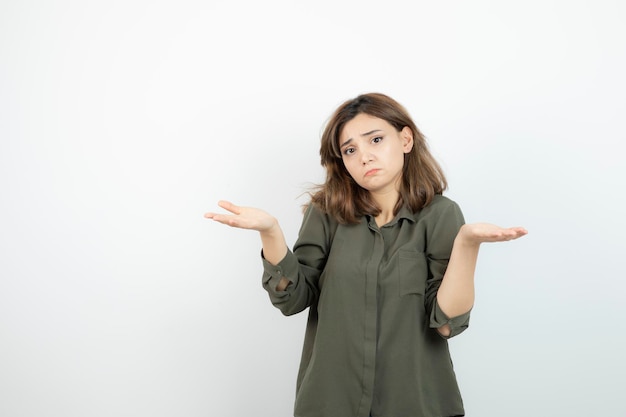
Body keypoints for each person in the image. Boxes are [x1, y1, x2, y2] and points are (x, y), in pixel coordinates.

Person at [204, 93, 527, 417]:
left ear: (405, 138)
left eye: (375, 139)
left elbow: (446, 325)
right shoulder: (325, 214)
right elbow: (292, 300)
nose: (365, 156)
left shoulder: (440, 215)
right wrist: (271, 232)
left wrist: (468, 244)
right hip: (330, 403)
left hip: (418, 405)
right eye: (350, 149)